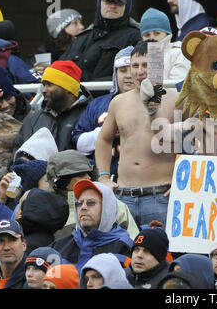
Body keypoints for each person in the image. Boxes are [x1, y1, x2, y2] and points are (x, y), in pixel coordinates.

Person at [95, 40, 181, 227]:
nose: (139, 71)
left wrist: (183, 182)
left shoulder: (176, 99)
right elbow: (103, 139)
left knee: (162, 255)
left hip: (162, 196)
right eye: (134, 65)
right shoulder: (118, 102)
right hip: (124, 196)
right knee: (122, 254)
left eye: (146, 65)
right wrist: (103, 176)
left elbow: (195, 144)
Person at [46, 150, 139, 241]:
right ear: (63, 180)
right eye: (81, 174)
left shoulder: (115, 205)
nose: (89, 177)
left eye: (89, 173)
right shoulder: (48, 211)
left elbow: (133, 244)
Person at [72, 46, 135, 178]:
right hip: (104, 176)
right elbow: (78, 144)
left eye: (132, 69)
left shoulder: (153, 104)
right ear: (115, 74)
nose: (128, 75)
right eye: (123, 70)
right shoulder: (97, 104)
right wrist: (106, 132)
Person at [50, 179, 133, 271]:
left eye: (91, 203)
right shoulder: (58, 246)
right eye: (79, 203)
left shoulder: (126, 247)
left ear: (108, 208)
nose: (83, 207)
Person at [60, 0, 141, 82]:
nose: (112, 6)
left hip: (110, 95)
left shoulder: (136, 37)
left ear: (127, 7)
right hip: (74, 95)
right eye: (108, 1)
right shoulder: (82, 38)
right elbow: (58, 69)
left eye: (119, 2)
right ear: (99, 3)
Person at [12, 60, 92, 153]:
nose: (43, 90)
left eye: (49, 85)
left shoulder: (90, 116)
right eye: (44, 85)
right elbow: (17, 156)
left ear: (68, 88)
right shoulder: (33, 120)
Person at [139, 7, 191, 81]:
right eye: (147, 35)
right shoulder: (136, 55)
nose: (152, 38)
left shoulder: (179, 53)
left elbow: (176, 86)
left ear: (167, 34)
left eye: (157, 33)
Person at [13, 189, 69, 254]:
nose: (16, 208)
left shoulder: (23, 247)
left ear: (21, 212)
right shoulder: (50, 240)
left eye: (20, 204)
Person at [30, 9, 84, 73]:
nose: (82, 27)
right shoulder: (43, 56)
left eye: (81, 22)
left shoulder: (86, 47)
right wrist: (36, 73)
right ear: (60, 29)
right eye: (75, 23)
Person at [0, 219, 27, 289]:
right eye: (0, 241)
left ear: (24, 245)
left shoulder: (34, 278)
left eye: (12, 240)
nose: (6, 247)